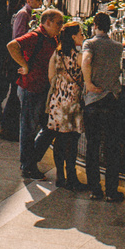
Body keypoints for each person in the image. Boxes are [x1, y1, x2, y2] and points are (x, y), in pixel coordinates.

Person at [8, 8, 64, 179]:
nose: (60, 27)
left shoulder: (52, 38)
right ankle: (28, 166)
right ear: (46, 22)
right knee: (29, 128)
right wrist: (24, 65)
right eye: (57, 23)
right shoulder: (35, 36)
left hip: (43, 88)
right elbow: (12, 45)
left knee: (49, 126)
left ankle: (30, 160)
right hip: (30, 87)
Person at [44, 20, 87, 190]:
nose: (83, 37)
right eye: (81, 34)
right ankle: (72, 177)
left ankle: (60, 176)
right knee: (72, 141)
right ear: (74, 36)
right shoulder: (79, 56)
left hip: (58, 101)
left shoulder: (57, 54)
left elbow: (50, 76)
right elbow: (86, 77)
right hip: (73, 102)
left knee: (59, 140)